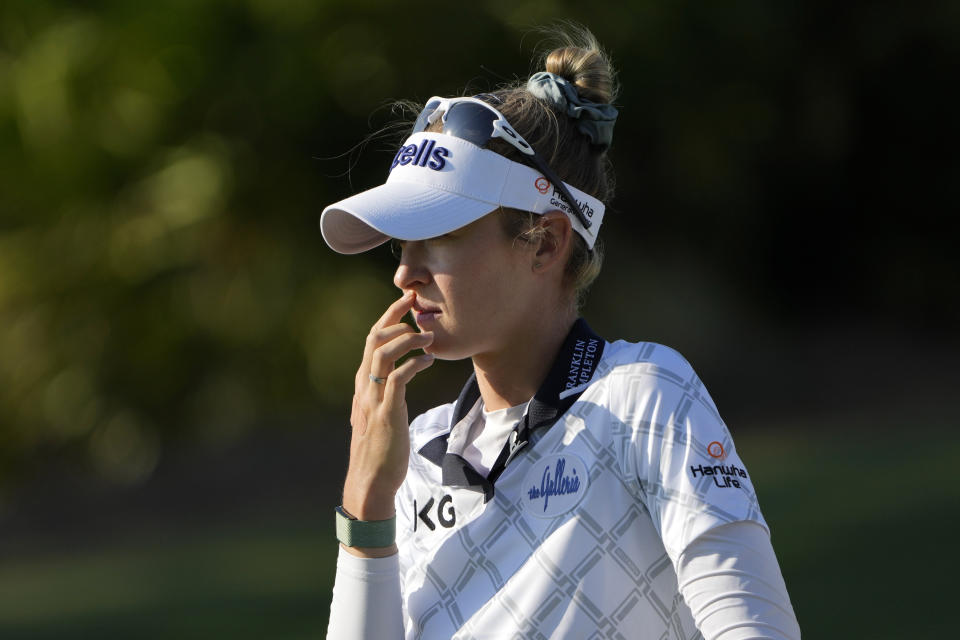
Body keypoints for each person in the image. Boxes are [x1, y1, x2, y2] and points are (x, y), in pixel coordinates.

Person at [319, 29, 801, 640]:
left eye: (438, 236)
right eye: (401, 243)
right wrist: (366, 505)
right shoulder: (417, 451)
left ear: (546, 242)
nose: (404, 272)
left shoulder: (643, 397)